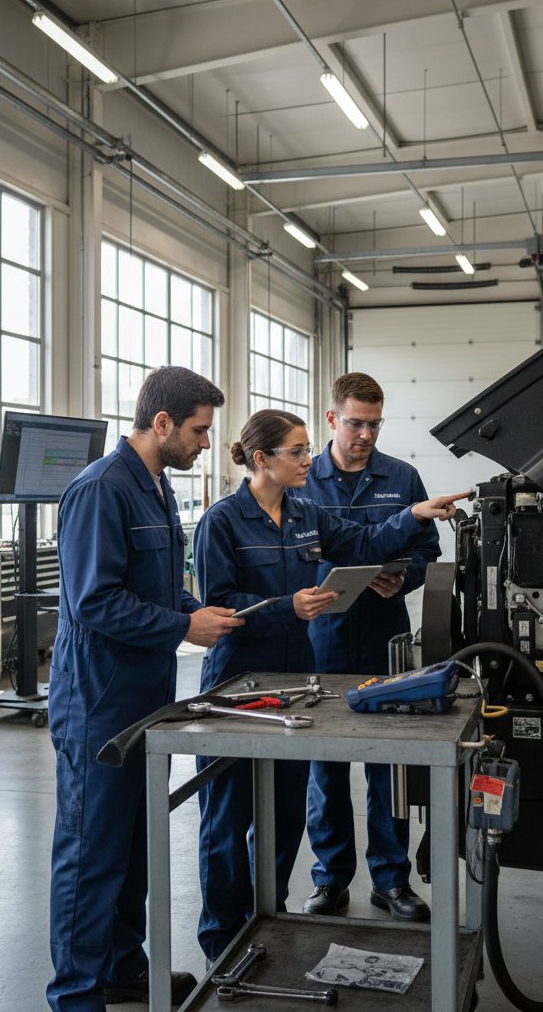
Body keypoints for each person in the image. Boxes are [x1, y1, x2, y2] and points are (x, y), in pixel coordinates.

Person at [191, 407, 466, 961]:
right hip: (239, 686)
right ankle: (223, 938)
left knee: (286, 815)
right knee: (228, 821)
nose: (307, 460)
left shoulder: (306, 513)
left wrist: (413, 512)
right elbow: (215, 608)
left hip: (296, 682)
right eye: (296, 451)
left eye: (308, 449)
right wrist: (286, 607)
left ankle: (262, 915)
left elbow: (363, 543)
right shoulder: (221, 522)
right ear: (262, 459)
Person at [47, 366, 242, 1012]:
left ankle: (123, 967)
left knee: (133, 849)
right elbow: (94, 601)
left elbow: (155, 586)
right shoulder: (101, 490)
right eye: (198, 430)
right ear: (162, 424)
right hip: (98, 704)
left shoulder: (156, 486)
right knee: (91, 855)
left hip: (146, 699)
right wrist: (183, 624)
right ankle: (76, 995)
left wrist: (198, 610)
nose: (207, 443)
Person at [296, 372, 440, 923]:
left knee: (388, 763)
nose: (365, 434)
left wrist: (405, 579)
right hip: (321, 640)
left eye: (374, 424)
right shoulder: (304, 480)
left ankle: (391, 880)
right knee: (325, 766)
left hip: (386, 636)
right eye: (355, 422)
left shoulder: (402, 477)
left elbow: (426, 549)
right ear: (332, 418)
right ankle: (330, 879)